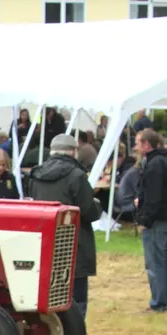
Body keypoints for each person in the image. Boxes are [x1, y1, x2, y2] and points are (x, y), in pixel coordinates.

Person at [27, 134, 103, 318]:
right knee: (76, 296)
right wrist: (97, 204)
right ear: (73, 152)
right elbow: (89, 211)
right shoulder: (76, 176)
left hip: (45, 241)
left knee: (48, 291)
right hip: (73, 241)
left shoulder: (36, 174)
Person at [134, 128, 167, 313]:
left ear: (147, 144)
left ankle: (159, 303)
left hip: (158, 221)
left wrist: (145, 218)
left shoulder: (154, 165)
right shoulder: (164, 162)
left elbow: (154, 196)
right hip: (165, 218)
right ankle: (162, 300)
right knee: (161, 261)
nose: (136, 147)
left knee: (155, 262)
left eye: (138, 143)